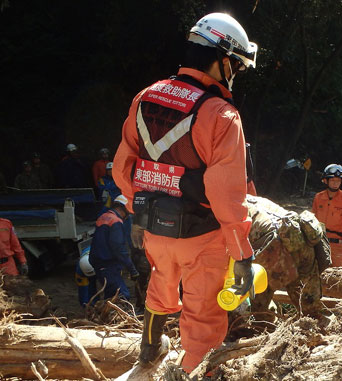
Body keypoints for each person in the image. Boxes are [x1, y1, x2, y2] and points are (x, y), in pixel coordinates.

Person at [112, 12, 258, 373]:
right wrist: (241, 253)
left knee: (160, 287)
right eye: (236, 67)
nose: (235, 74)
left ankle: (149, 351)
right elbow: (227, 196)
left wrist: (142, 207)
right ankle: (196, 373)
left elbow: (122, 168)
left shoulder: (145, 97)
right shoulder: (221, 114)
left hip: (154, 227)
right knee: (203, 320)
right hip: (203, 236)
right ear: (224, 61)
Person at [245, 195, 325, 316]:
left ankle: (263, 323)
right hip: (300, 242)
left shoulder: (231, 209)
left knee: (259, 302)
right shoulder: (254, 200)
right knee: (309, 304)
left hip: (274, 252)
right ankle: (315, 322)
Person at [88, 195, 139, 301]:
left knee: (110, 295)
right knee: (121, 296)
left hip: (99, 263)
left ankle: (106, 316)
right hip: (107, 264)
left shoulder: (104, 217)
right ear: (124, 208)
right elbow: (119, 248)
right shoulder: (116, 221)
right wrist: (132, 269)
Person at [312, 164, 342, 268]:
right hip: (319, 243)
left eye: (338, 181)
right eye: (333, 181)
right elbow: (313, 218)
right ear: (326, 181)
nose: (336, 184)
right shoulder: (318, 197)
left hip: (338, 246)